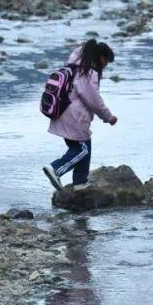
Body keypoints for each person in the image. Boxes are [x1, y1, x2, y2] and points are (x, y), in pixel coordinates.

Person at [43, 39, 117, 191]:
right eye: (106, 60)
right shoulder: (87, 72)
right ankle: (55, 169)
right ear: (100, 57)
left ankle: (80, 182)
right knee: (82, 150)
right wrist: (108, 116)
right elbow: (93, 99)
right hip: (75, 117)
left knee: (84, 146)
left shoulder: (75, 67)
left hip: (66, 114)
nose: (106, 64)